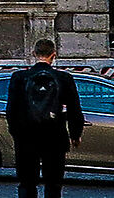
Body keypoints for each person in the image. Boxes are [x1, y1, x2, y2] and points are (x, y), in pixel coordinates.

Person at [6, 38, 85, 198]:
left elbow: (11, 110)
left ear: (34, 53)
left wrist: (16, 133)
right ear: (53, 55)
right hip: (55, 136)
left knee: (26, 183)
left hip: (26, 136)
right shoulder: (64, 78)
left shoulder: (19, 78)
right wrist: (75, 134)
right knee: (54, 184)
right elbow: (74, 109)